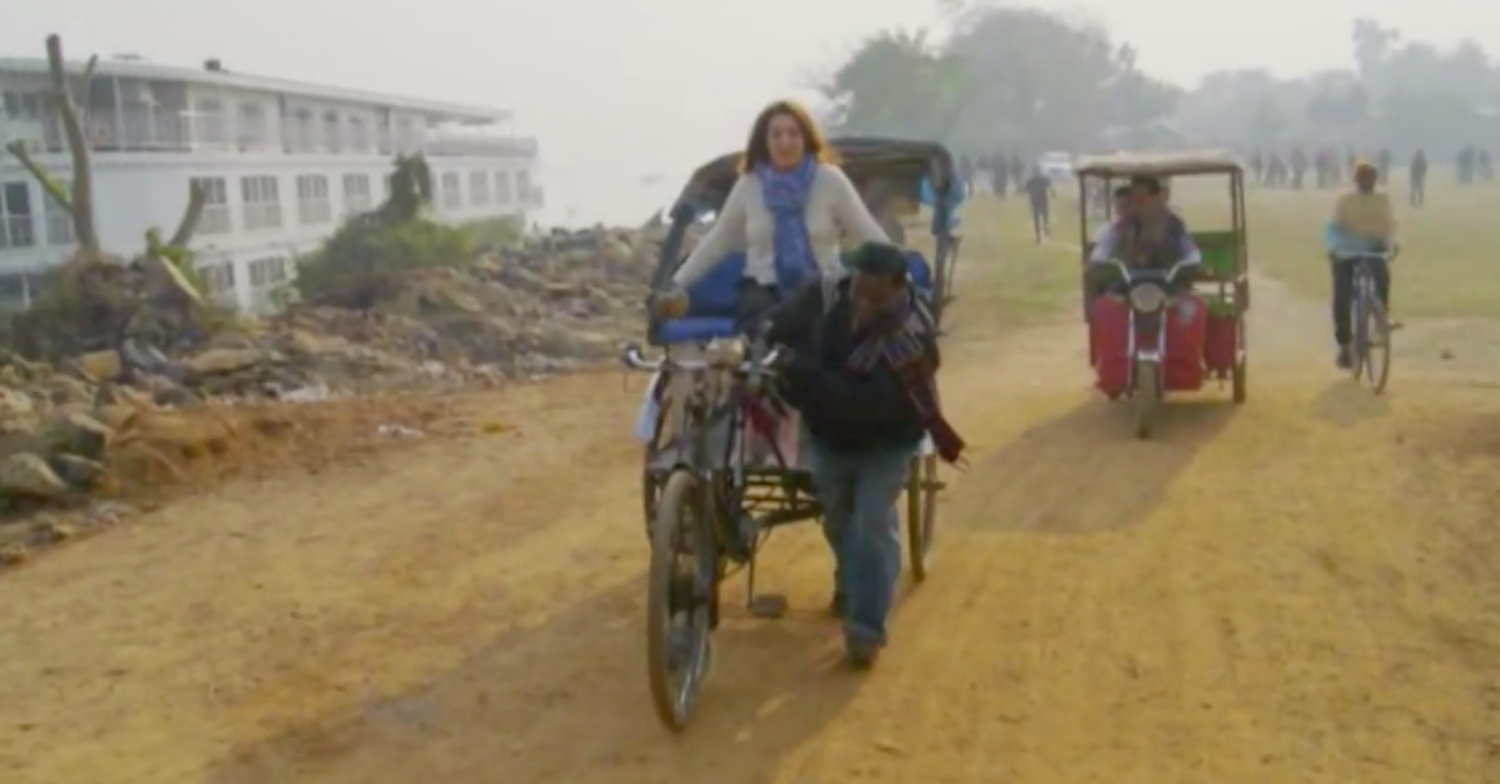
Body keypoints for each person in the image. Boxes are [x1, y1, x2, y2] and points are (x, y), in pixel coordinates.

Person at [760, 241, 964, 669]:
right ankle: (853, 581)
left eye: (878, 298)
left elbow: (863, 406)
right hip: (828, 436)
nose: (866, 305)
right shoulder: (826, 295)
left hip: (886, 440)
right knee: (837, 520)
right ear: (851, 282)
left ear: (897, 290)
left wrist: (802, 371)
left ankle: (866, 629)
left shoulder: (911, 339)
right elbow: (779, 328)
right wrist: (773, 349)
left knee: (870, 524)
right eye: (860, 293)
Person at [652, 100, 888, 326]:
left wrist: (898, 271)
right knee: (763, 326)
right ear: (764, 141)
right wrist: (677, 283)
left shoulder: (829, 179)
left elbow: (866, 230)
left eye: (793, 134)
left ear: (806, 139)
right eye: (776, 135)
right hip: (763, 289)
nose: (784, 142)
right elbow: (719, 239)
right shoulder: (749, 184)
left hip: (823, 288)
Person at [1327, 159, 1398, 370]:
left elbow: (1390, 226)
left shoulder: (1382, 201)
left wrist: (1393, 245)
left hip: (1373, 249)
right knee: (1342, 294)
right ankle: (1344, 344)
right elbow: (1333, 227)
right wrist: (1333, 247)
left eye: (1371, 179)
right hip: (1347, 251)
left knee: (1382, 277)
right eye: (1364, 179)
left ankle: (1381, 317)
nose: (1368, 183)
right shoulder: (1346, 201)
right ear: (1357, 181)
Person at [1023, 167, 1053, 244]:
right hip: (1041, 200)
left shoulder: (1031, 181)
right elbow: (1050, 185)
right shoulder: (1043, 179)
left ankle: (1039, 235)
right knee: (1044, 217)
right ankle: (1043, 231)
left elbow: (1025, 189)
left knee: (1038, 218)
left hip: (1036, 201)